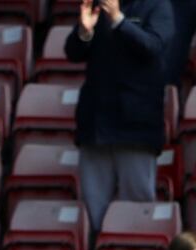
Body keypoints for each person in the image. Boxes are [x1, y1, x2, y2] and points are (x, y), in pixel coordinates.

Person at [65, 0, 173, 235]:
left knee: (137, 208)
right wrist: (85, 32)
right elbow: (72, 52)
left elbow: (153, 46)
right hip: (95, 127)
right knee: (94, 209)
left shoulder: (156, 6)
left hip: (136, 127)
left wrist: (118, 20)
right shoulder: (96, 7)